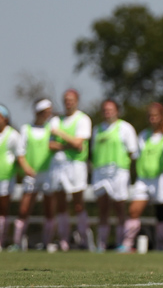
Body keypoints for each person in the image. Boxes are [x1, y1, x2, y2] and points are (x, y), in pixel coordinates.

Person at [120, 102, 163, 252]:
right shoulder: (144, 135)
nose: (152, 119)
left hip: (162, 178)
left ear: (162, 117)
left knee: (161, 212)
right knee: (133, 210)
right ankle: (126, 243)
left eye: (155, 116)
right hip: (144, 179)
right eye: (150, 116)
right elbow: (136, 155)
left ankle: (162, 245)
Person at [49, 89, 93, 251]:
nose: (68, 102)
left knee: (78, 204)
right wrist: (68, 143)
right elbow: (51, 145)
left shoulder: (83, 119)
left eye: (71, 99)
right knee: (60, 204)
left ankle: (84, 238)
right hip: (59, 166)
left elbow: (78, 144)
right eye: (66, 99)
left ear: (77, 100)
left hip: (76, 165)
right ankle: (64, 239)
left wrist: (60, 134)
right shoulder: (56, 119)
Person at [91, 100, 138, 252]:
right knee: (103, 208)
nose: (107, 112)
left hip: (118, 172)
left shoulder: (125, 128)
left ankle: (122, 242)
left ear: (117, 110)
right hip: (100, 172)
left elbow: (133, 152)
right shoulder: (97, 129)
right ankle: (102, 243)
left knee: (120, 207)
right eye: (105, 109)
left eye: (110, 109)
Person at [11, 99, 54, 251]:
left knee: (49, 210)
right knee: (24, 210)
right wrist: (27, 169)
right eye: (45, 112)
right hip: (31, 175)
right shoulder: (26, 129)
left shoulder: (52, 128)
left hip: (48, 174)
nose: (48, 114)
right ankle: (17, 243)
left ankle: (47, 243)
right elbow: (20, 153)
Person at [0, 104, 35, 250]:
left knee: (3, 210)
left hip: (6, 177)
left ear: (6, 118)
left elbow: (19, 157)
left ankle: (2, 242)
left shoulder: (13, 135)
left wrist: (26, 171)